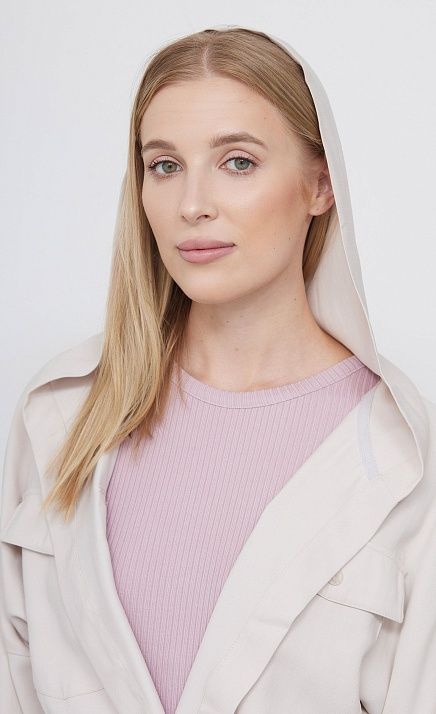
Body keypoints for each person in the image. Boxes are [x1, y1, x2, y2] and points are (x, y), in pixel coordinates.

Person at [1, 24, 435, 714]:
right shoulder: (63, 415)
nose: (191, 204)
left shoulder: (402, 452)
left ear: (320, 185)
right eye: (164, 165)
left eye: (237, 162)